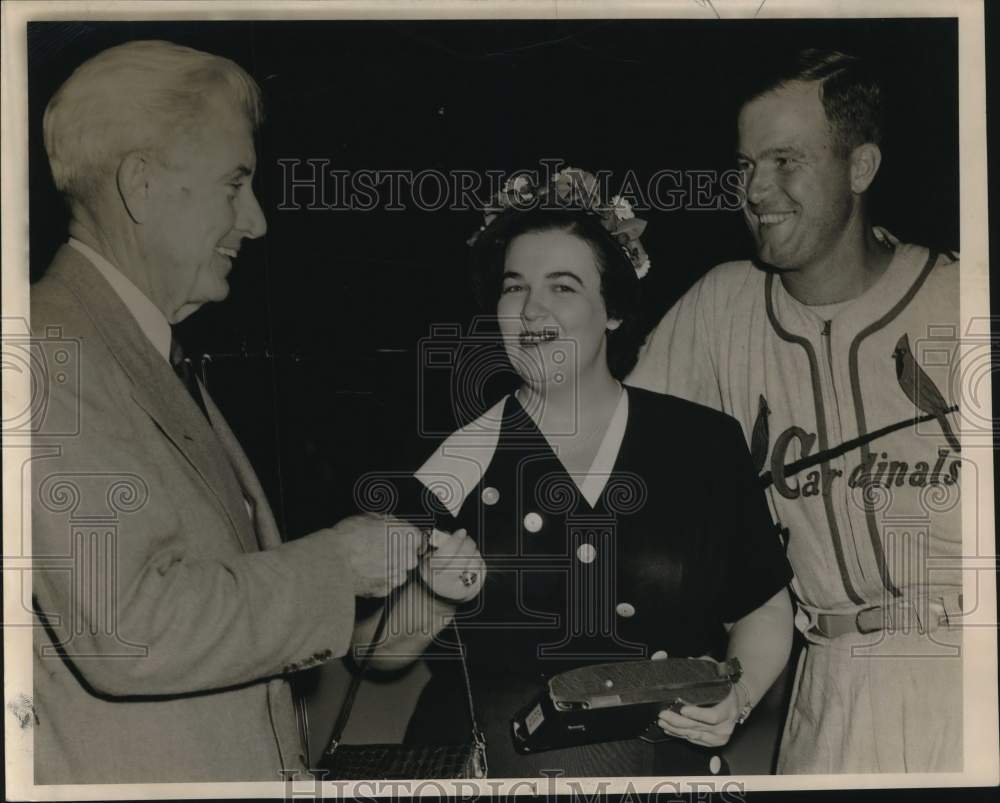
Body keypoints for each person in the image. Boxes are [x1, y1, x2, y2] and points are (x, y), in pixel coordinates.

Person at [29, 40, 428, 784]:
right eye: (235, 183)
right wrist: (337, 564)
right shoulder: (45, 351)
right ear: (142, 185)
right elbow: (130, 629)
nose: (257, 220)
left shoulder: (136, 351)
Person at [364, 168, 793, 777]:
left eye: (562, 287)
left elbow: (763, 606)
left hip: (659, 767)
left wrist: (738, 695)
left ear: (613, 310)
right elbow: (375, 653)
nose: (532, 308)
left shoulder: (701, 444)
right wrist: (430, 595)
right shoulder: (457, 455)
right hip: (490, 768)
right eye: (514, 288)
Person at [627, 49, 963, 773]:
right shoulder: (722, 309)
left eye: (785, 161)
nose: (756, 190)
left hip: (974, 663)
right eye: (745, 165)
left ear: (860, 166)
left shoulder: (962, 300)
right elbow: (614, 445)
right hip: (831, 687)